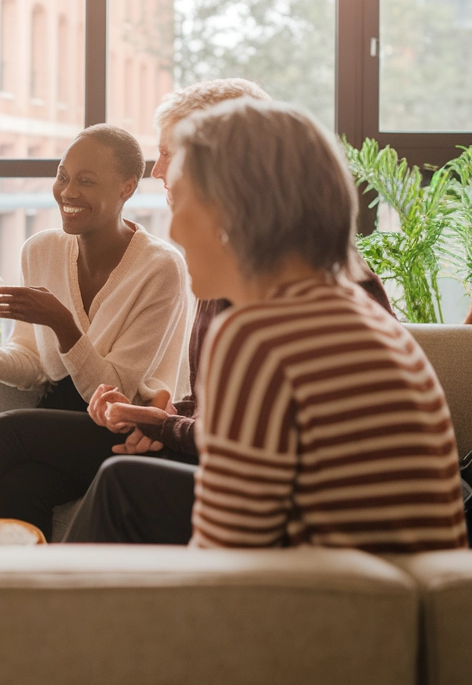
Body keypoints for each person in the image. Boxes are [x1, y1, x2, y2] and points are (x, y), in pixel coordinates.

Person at [73, 99, 467, 551]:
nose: (175, 232)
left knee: (122, 486)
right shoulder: (347, 312)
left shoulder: (260, 334)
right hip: (384, 596)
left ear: (234, 212)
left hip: (339, 606)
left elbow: (226, 555)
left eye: (184, 203)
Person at [0, 124, 191, 539]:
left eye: (86, 181)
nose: (67, 192)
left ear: (127, 188)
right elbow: (32, 366)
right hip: (59, 417)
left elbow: (116, 392)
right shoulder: (41, 250)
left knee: (5, 430)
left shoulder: (160, 267)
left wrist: (61, 321)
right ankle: (16, 598)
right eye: (63, 176)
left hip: (126, 426)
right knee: (21, 488)